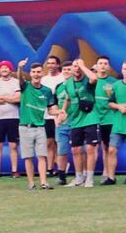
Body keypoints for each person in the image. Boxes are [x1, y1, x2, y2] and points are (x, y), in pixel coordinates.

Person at [15, 59, 59, 190]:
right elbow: (20, 80)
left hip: (40, 127)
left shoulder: (47, 91)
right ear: (30, 73)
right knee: (28, 157)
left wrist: (59, 112)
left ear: (42, 73)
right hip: (25, 126)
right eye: (33, 72)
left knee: (42, 156)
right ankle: (31, 183)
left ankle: (44, 182)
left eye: (38, 72)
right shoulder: (26, 86)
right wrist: (20, 68)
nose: (36, 74)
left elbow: (51, 109)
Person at [58, 58, 99, 187]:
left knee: (90, 149)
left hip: (90, 117)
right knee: (76, 149)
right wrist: (63, 111)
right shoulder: (68, 83)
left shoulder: (88, 80)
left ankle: (90, 178)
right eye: (74, 66)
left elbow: (94, 78)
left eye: (78, 66)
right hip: (75, 119)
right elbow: (68, 98)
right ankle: (79, 177)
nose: (77, 68)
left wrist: (83, 65)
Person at [0, 60, 22, 178]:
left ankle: (14, 170)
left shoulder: (16, 82)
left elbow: (17, 99)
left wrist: (1, 97)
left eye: (6, 68)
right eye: (2, 68)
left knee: (13, 145)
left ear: (10, 69)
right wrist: (9, 98)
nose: (4, 70)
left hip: (13, 118)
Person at [93, 56, 119, 185]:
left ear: (108, 66)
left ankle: (107, 173)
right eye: (100, 63)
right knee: (92, 147)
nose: (103, 66)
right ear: (96, 66)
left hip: (109, 120)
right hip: (94, 119)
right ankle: (87, 175)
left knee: (107, 147)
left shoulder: (113, 82)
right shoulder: (91, 81)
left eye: (105, 63)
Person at [41, 55, 65, 177]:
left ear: (58, 65)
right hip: (47, 116)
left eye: (53, 63)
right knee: (49, 142)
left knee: (59, 142)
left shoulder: (63, 78)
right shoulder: (43, 79)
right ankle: (50, 168)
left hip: (60, 115)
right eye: (48, 63)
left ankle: (61, 167)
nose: (50, 65)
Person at [52, 61, 74, 184]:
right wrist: (56, 116)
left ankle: (82, 174)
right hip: (61, 123)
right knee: (61, 150)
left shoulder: (77, 85)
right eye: (64, 70)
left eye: (69, 69)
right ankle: (61, 176)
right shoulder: (58, 86)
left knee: (79, 150)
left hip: (76, 121)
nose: (66, 72)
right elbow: (53, 104)